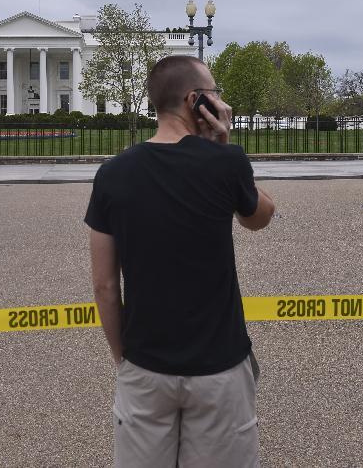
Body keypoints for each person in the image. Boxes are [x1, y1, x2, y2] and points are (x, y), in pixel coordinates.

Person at [85, 55, 275, 467]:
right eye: (214, 94)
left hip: (146, 363)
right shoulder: (227, 162)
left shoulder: (113, 174)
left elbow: (103, 284)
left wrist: (124, 357)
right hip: (219, 365)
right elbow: (260, 218)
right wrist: (225, 152)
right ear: (195, 100)